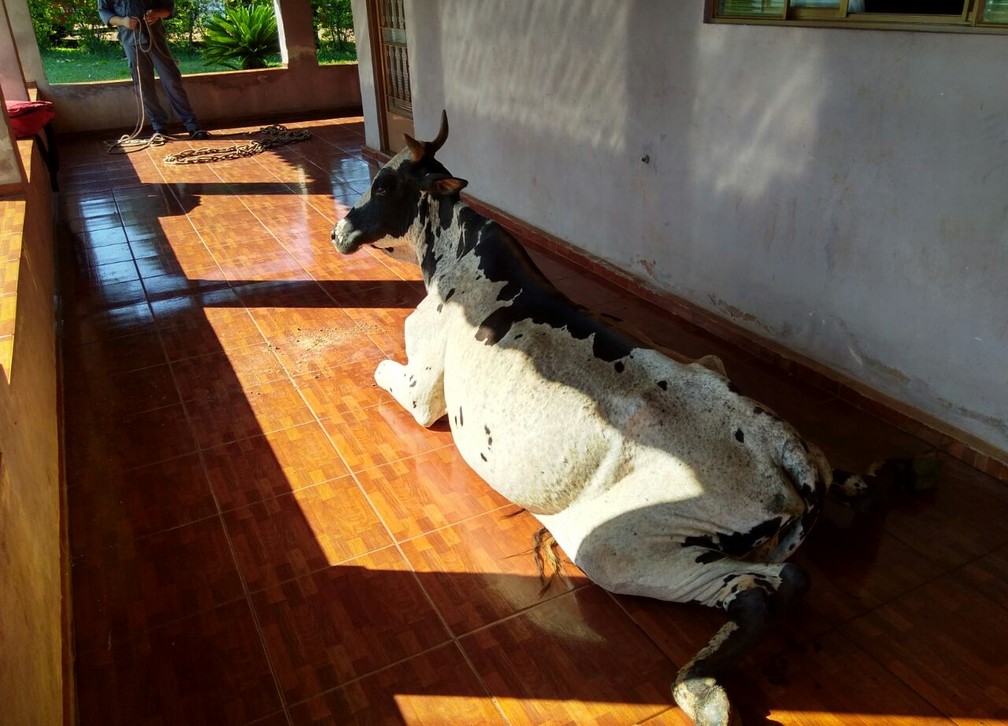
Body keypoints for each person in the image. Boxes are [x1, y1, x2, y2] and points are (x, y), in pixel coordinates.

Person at [97, 0, 209, 139]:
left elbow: (168, 8)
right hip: (130, 40)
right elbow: (104, 12)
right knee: (144, 87)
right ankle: (159, 128)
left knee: (171, 80)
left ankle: (193, 126)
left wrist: (157, 13)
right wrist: (123, 21)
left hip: (155, 38)